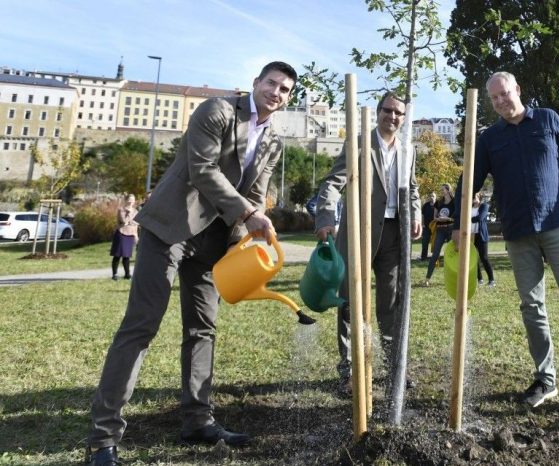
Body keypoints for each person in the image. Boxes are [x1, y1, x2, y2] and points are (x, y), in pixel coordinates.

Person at [85, 61, 298, 466]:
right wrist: (247, 214)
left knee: (203, 329)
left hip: (214, 243)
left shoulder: (274, 142)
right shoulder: (216, 111)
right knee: (141, 327)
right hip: (170, 228)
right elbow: (203, 170)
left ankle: (197, 421)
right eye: (271, 82)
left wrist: (249, 236)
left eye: (285, 89)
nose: (276, 91)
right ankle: (102, 437)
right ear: (255, 83)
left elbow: (256, 192)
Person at [452, 71, 559, 419]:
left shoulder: (547, 119)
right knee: (532, 307)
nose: (501, 101)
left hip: (558, 223)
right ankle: (546, 379)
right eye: (495, 98)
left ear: (518, 90)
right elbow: (468, 178)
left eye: (505, 93)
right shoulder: (490, 139)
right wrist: (459, 223)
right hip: (519, 233)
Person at [315, 91, 421, 395]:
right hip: (359, 232)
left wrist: (413, 213)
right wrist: (325, 218)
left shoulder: (408, 149)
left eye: (399, 113)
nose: (393, 117)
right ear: (378, 112)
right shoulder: (360, 143)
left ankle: (392, 368)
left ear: (404, 117)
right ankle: (348, 371)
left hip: (393, 236)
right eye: (388, 111)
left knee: (390, 302)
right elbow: (333, 182)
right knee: (350, 302)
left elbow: (411, 188)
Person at [424, 184, 455, 286]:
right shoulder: (439, 202)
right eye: (441, 189)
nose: (441, 191)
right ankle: (427, 278)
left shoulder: (455, 202)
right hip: (440, 230)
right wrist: (438, 218)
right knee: (435, 254)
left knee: (452, 254)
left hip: (451, 230)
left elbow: (456, 218)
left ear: (448, 190)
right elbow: (435, 217)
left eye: (443, 189)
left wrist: (448, 219)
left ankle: (454, 278)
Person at [110, 193, 139, 280]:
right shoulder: (121, 210)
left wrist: (136, 235)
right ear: (126, 200)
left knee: (127, 256)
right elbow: (123, 221)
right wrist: (129, 217)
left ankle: (127, 274)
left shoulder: (136, 211)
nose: (131, 201)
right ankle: (115, 274)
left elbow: (136, 223)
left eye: (133, 199)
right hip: (121, 233)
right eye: (129, 199)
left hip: (131, 234)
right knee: (117, 255)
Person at [471, 193, 495, 286]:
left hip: (481, 235)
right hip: (471, 235)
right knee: (473, 258)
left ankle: (491, 280)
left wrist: (469, 219)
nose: (473, 198)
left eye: (474, 197)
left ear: (479, 198)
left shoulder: (484, 206)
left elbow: (480, 218)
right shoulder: (469, 207)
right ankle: (479, 279)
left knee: (484, 257)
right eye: (472, 197)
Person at [420, 191, 436, 260]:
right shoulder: (425, 205)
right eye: (430, 196)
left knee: (435, 242)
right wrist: (422, 224)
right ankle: (423, 257)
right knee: (425, 242)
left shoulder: (438, 204)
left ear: (435, 197)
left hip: (435, 227)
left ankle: (435, 258)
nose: (432, 197)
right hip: (426, 227)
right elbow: (422, 215)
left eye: (433, 196)